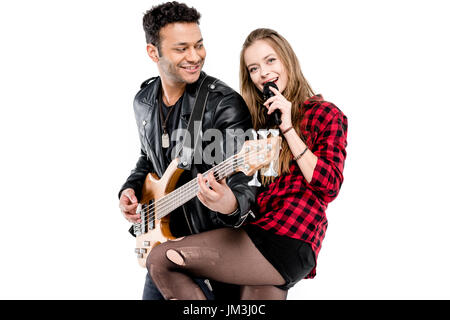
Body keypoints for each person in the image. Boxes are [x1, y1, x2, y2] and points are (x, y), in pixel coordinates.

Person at [145, 28, 348, 300]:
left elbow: (330, 186)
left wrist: (288, 129)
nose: (263, 73)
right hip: (253, 236)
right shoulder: (257, 125)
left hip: (290, 238)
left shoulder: (325, 114)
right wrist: (224, 199)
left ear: (288, 60)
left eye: (270, 61)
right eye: (253, 68)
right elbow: (246, 195)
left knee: (161, 258)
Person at [118, 2, 256, 300]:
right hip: (161, 245)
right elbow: (149, 158)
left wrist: (230, 203)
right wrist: (129, 190)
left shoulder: (224, 104)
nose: (195, 57)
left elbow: (246, 183)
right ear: (153, 53)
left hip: (211, 252)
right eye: (182, 49)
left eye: (199, 45)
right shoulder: (143, 101)